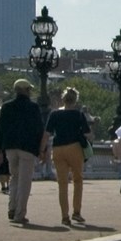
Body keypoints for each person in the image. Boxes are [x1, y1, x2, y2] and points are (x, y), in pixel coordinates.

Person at [0, 81, 46, 225]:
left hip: (10, 147)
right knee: (25, 182)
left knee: (14, 178)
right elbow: (39, 129)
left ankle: (12, 207)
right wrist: (43, 150)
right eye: (29, 89)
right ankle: (19, 214)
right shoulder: (33, 107)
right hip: (27, 148)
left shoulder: (6, 107)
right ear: (26, 90)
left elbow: (1, 130)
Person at [46, 87, 92, 226]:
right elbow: (88, 134)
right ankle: (76, 212)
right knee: (77, 180)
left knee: (62, 183)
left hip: (58, 149)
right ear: (75, 100)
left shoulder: (54, 114)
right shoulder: (78, 115)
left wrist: (42, 149)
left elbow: (46, 134)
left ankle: (64, 216)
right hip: (74, 148)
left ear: (63, 99)